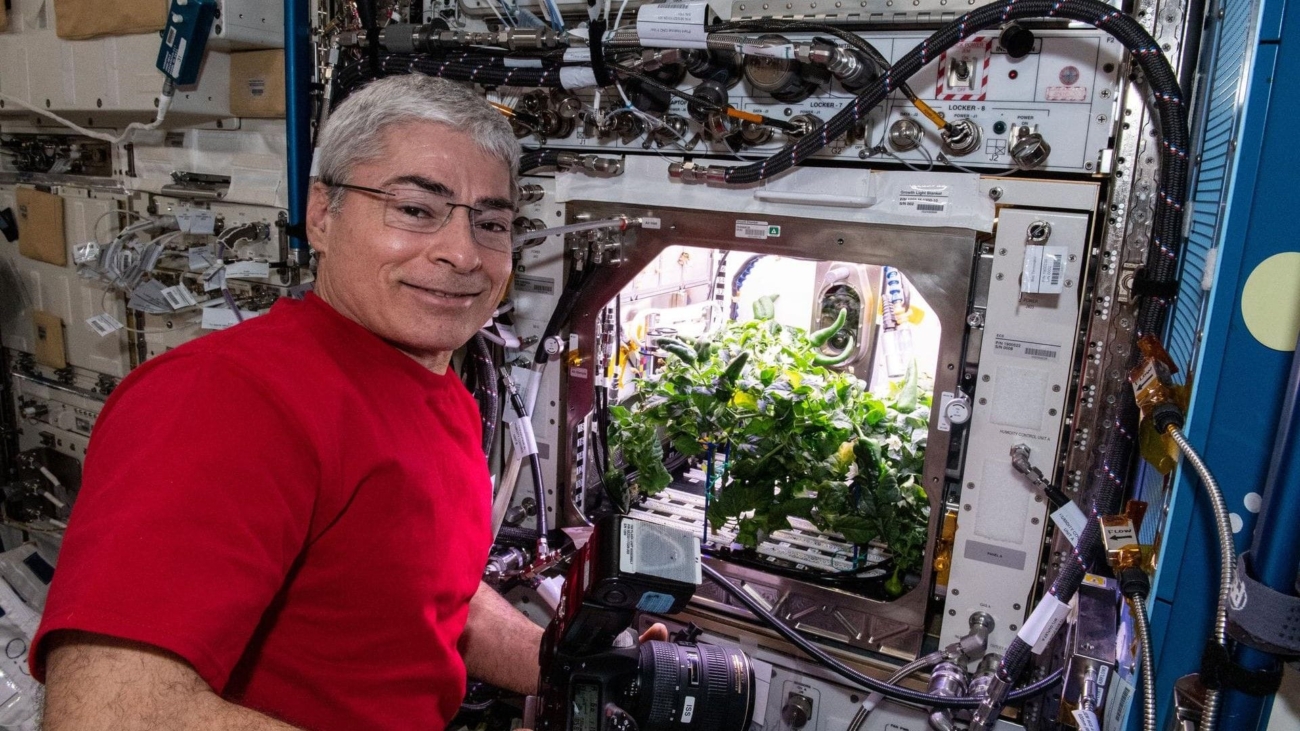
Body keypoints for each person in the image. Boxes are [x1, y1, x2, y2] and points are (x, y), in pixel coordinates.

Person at [32, 74, 665, 730]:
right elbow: (107, 715)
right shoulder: (228, 400)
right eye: (417, 209)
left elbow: (432, 600)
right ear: (323, 215)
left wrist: (567, 664)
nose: (462, 252)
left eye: (492, 222)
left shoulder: (439, 391)